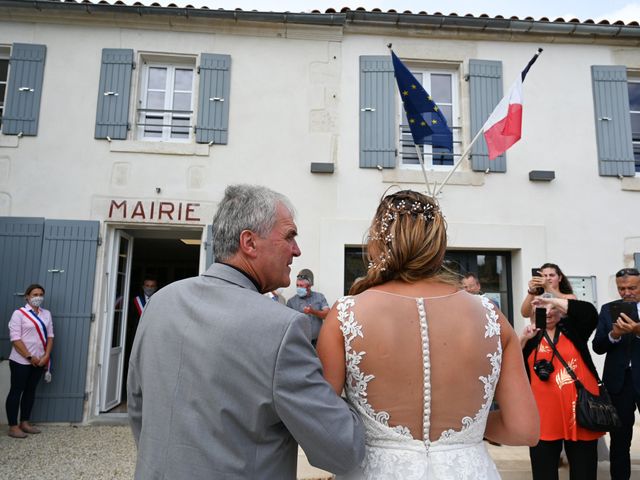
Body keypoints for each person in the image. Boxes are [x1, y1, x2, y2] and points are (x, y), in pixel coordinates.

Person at [127, 184, 365, 479]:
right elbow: (342, 450)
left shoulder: (160, 302)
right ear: (249, 243)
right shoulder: (281, 327)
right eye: (290, 236)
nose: (297, 250)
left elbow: (138, 408)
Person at [317, 189, 539, 479]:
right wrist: (466, 431)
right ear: (438, 243)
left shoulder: (346, 314)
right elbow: (525, 430)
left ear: (378, 242)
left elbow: (322, 421)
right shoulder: (490, 316)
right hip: (467, 468)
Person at [520, 295, 603, 479]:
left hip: (580, 411)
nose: (548, 313)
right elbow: (511, 365)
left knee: (584, 470)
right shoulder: (531, 337)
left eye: (553, 309)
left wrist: (553, 299)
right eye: (543, 309)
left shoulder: (574, 330)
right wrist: (523, 339)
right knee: (544, 470)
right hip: (543, 415)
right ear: (533, 312)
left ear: (562, 311)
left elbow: (589, 313)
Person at [592, 267, 640, 480]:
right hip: (618, 384)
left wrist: (638, 330)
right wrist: (614, 335)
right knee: (620, 442)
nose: (627, 292)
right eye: (622, 288)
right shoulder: (607, 309)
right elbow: (598, 346)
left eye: (632, 287)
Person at [5, 284, 54, 439]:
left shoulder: (46, 314)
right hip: (21, 360)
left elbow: (51, 336)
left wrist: (46, 356)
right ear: (27, 296)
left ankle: (25, 422)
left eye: (40, 294)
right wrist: (29, 356)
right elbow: (15, 339)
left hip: (40, 360)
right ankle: (13, 426)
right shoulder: (19, 314)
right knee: (16, 391)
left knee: (30, 392)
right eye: (34, 294)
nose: (37, 297)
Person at [286, 269, 329, 345]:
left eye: (301, 286)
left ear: (309, 286)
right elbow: (287, 323)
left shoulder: (319, 297)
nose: (298, 288)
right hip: (299, 342)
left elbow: (327, 314)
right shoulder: (291, 302)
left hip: (317, 341)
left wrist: (313, 312)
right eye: (297, 285)